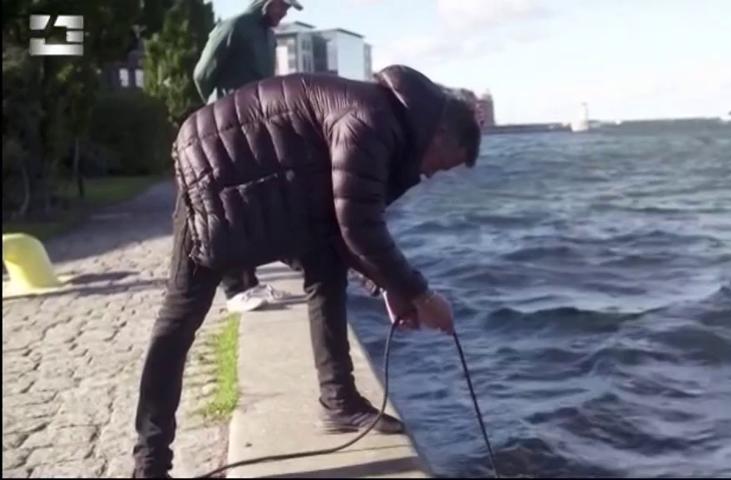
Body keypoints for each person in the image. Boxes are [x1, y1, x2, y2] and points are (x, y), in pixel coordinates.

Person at [131, 64, 482, 478]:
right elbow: (358, 226)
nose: (432, 174)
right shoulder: (369, 122)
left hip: (274, 187)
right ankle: (150, 464)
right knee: (178, 321)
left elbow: (341, 224)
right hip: (211, 163)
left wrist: (386, 286)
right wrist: (421, 295)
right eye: (443, 165)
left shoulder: (389, 125)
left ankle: (339, 401)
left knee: (326, 268)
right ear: (440, 134)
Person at [191, 0, 304, 313]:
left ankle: (250, 283)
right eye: (283, 6)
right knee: (229, 207)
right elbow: (202, 74)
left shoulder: (269, 36)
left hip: (254, 130)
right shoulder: (233, 27)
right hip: (226, 131)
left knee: (252, 204)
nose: (285, 13)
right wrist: (217, 113)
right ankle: (234, 290)